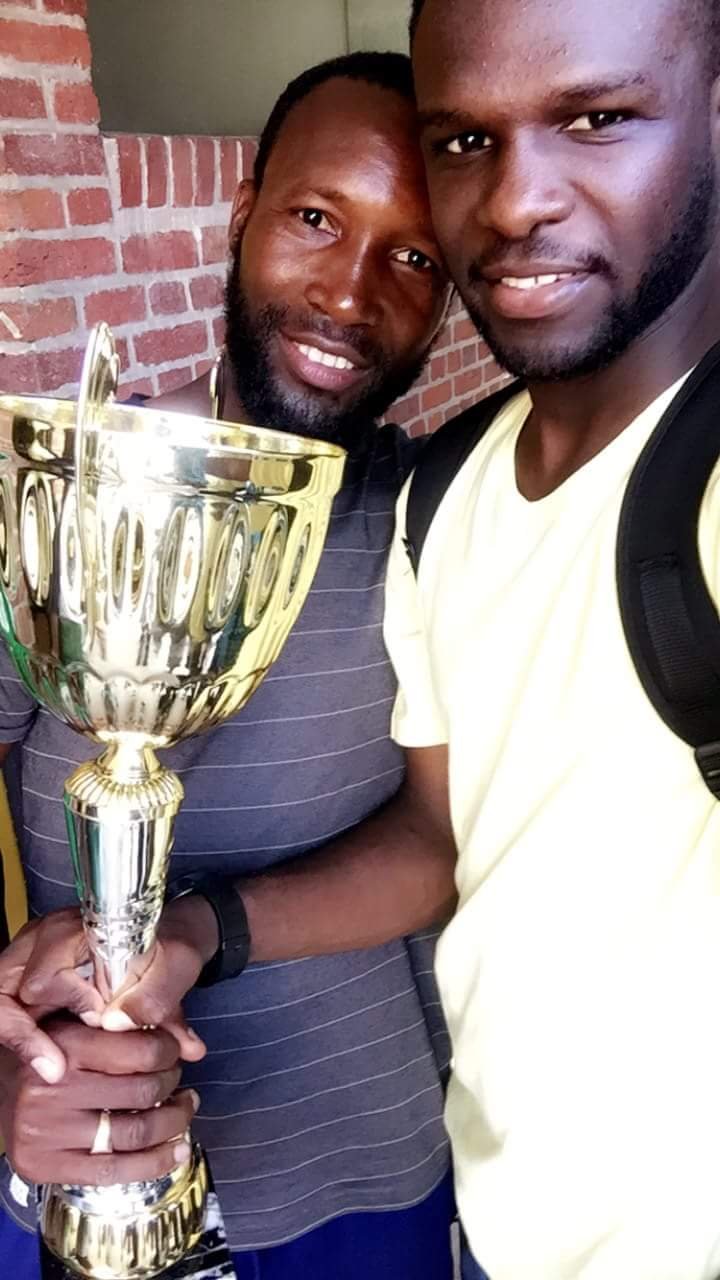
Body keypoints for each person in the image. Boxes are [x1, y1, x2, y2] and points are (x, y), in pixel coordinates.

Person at [0, 52, 457, 1280]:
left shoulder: (435, 526)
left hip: (357, 1164)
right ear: (243, 208)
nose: (350, 292)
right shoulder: (66, 498)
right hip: (62, 1159)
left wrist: (203, 930)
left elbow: (440, 839)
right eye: (316, 217)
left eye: (416, 257)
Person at [384, 0, 720, 1276]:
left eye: (597, 119)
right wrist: (200, 932)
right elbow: (440, 834)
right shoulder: (440, 492)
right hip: (495, 1224)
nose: (516, 200)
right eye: (463, 141)